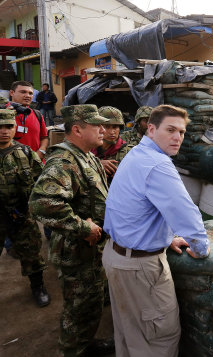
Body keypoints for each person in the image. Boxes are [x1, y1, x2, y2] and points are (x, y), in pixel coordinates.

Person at [102, 104, 210, 356]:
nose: (177, 138)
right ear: (151, 129)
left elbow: (140, 209)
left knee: (130, 332)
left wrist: (168, 237)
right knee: (160, 338)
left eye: (182, 132)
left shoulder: (136, 154)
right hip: (141, 268)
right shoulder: (158, 165)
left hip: (116, 255)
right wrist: (201, 249)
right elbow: (188, 216)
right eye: (170, 130)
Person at [29, 104, 114, 357]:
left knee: (90, 305)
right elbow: (41, 203)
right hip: (77, 252)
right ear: (77, 129)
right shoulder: (64, 161)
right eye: (97, 125)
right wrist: (81, 226)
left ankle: (85, 344)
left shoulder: (86, 155)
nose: (104, 129)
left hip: (91, 251)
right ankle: (72, 350)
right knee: (79, 309)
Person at [0, 108, 50, 307]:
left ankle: (37, 287)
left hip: (21, 214)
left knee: (32, 254)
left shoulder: (25, 152)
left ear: (15, 129)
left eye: (8, 126)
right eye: (0, 127)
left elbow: (41, 181)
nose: (4, 131)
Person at [8, 81, 49, 161]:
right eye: (23, 92)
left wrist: (41, 151)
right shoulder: (3, 113)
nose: (27, 96)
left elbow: (44, 137)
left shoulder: (37, 114)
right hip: (12, 166)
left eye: (30, 93)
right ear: (12, 93)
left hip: (35, 164)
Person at [91, 106, 131, 184]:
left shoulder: (129, 153)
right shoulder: (88, 150)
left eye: (115, 127)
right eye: (107, 127)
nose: (112, 132)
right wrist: (97, 165)